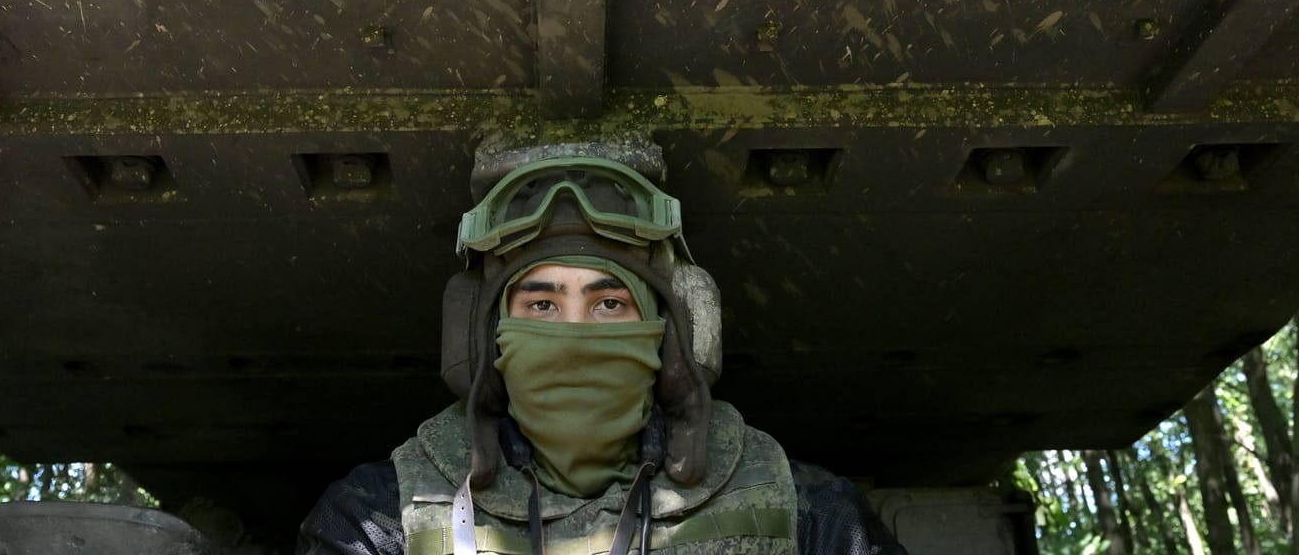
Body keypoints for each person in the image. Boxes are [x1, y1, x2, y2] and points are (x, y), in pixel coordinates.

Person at [298, 155, 909, 555]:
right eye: (541, 306)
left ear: (667, 337)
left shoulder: (805, 512)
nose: (575, 333)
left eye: (609, 304)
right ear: (486, 342)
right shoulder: (382, 515)